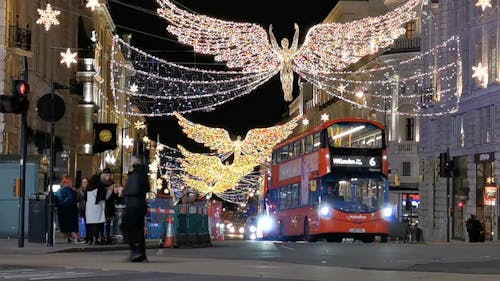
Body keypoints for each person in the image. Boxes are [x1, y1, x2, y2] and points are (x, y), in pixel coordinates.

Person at [122, 155, 150, 262]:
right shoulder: (144, 174)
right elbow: (146, 188)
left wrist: (123, 192)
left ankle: (135, 251)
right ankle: (142, 254)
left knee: (125, 227)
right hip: (141, 205)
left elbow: (133, 190)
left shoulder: (134, 175)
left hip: (133, 206)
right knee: (139, 230)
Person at [269, 23, 299, 102]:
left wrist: (297, 31)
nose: (285, 43)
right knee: (284, 84)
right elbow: (274, 44)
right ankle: (286, 94)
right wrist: (270, 33)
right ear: (281, 44)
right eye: (283, 42)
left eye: (286, 42)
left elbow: (295, 42)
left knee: (290, 83)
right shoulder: (280, 52)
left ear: (288, 43)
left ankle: (289, 94)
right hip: (283, 70)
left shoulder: (291, 51)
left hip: (289, 70)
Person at [55, 176, 81, 243]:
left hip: (62, 210)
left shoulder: (59, 191)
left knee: (65, 226)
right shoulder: (71, 191)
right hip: (71, 210)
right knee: (72, 226)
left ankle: (68, 238)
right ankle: (75, 237)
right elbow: (75, 200)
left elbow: (56, 201)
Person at [85, 174, 106, 245]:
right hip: (97, 209)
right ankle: (96, 239)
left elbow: (85, 198)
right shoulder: (100, 188)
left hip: (89, 209)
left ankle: (91, 238)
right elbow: (103, 198)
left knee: (91, 225)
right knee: (97, 225)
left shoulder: (88, 188)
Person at [101, 168, 119, 245]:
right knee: (101, 222)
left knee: (108, 222)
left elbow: (115, 198)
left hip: (110, 206)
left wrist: (116, 193)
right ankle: (102, 237)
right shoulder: (101, 184)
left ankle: (108, 237)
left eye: (109, 174)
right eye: (106, 174)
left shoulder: (112, 183)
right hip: (102, 205)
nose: (108, 176)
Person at [76, 177, 89, 242]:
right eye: (83, 182)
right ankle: (81, 236)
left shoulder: (90, 190)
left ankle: (87, 236)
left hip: (88, 208)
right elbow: (77, 200)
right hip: (81, 208)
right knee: (80, 223)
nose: (85, 183)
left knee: (88, 223)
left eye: (86, 182)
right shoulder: (78, 191)